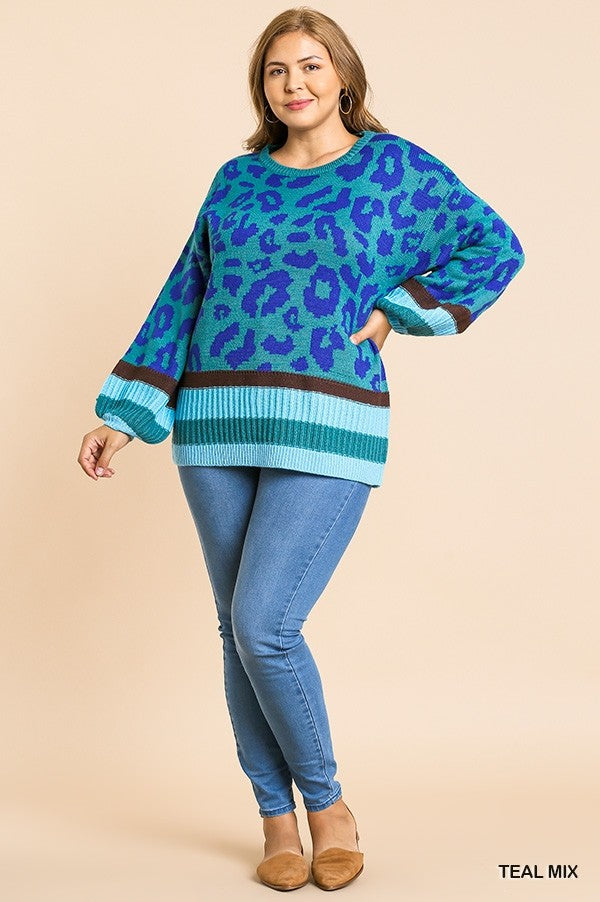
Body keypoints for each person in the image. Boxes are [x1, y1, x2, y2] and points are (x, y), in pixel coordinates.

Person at [78, 7, 525, 893]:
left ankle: (327, 807)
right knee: (234, 632)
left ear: (343, 77)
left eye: (311, 66)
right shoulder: (236, 180)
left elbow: (496, 246)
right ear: (263, 87)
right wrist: (125, 413)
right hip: (213, 421)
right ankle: (274, 819)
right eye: (277, 70)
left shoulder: (393, 170)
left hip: (329, 419)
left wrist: (399, 311)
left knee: (264, 624)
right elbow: (185, 293)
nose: (295, 84)